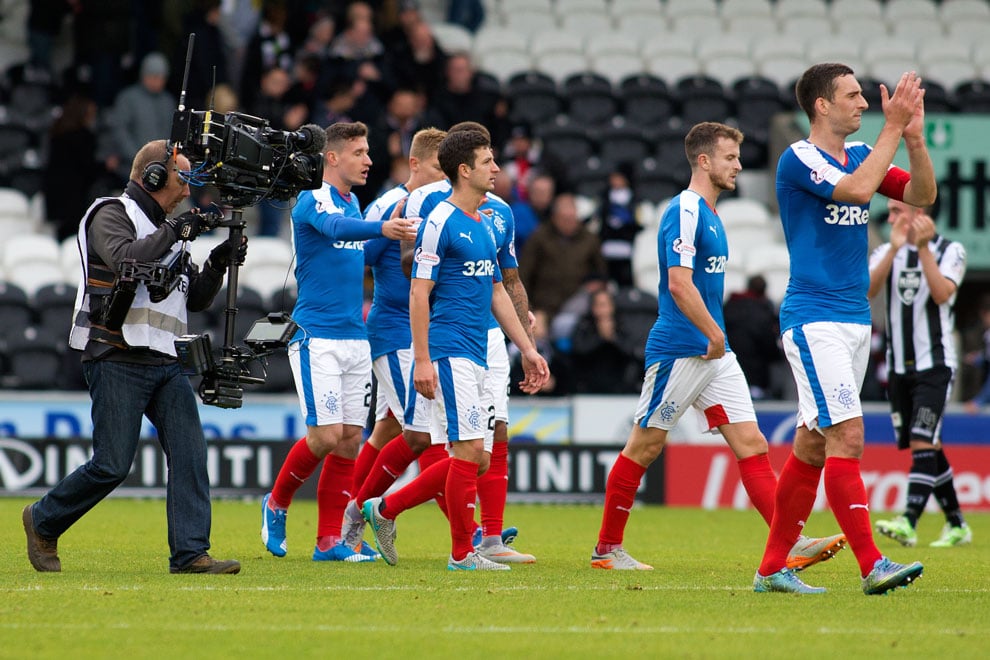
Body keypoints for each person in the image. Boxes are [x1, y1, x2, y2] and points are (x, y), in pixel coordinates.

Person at [591, 122, 845, 572]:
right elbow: (677, 283)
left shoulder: (712, 214)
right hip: (681, 349)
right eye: (730, 158)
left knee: (752, 443)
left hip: (714, 352)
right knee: (645, 446)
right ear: (705, 161)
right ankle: (607, 549)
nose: (739, 166)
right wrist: (712, 332)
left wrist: (716, 339)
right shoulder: (684, 210)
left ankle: (790, 542)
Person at [753, 64, 937, 596]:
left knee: (812, 446)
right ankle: (872, 563)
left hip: (854, 320)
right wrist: (891, 127)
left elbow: (921, 195)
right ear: (821, 106)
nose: (864, 103)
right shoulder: (799, 158)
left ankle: (771, 570)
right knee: (848, 435)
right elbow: (858, 192)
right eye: (853, 95)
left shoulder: (861, 154)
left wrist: (915, 139)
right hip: (814, 319)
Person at [23, 139, 246, 574]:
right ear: (155, 177)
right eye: (183, 177)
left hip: (163, 359)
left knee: (190, 453)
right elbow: (127, 259)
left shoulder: (168, 228)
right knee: (111, 465)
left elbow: (195, 298)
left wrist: (218, 262)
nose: (189, 189)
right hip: (116, 354)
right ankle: (43, 519)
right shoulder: (111, 213)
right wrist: (179, 229)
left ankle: (190, 554)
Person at [363, 128, 549, 570]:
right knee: (466, 452)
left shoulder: (483, 222)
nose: (497, 169)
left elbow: (498, 292)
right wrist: (423, 360)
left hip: (480, 352)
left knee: (479, 457)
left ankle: (385, 509)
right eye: (488, 162)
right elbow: (418, 293)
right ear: (464, 171)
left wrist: (528, 348)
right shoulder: (440, 222)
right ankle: (463, 554)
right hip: (450, 352)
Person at [259, 122, 418, 563]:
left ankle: (329, 541)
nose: (369, 160)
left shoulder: (354, 203)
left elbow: (358, 250)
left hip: (356, 337)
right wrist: (384, 228)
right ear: (332, 157)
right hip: (316, 337)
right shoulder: (313, 200)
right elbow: (333, 230)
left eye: (368, 152)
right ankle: (277, 502)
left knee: (350, 439)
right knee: (325, 435)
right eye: (359, 152)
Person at [337, 127, 448, 555]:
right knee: (425, 433)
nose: (444, 180)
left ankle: (346, 521)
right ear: (414, 164)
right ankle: (468, 529)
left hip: (421, 332)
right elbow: (353, 259)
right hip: (397, 332)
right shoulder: (389, 206)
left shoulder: (442, 206)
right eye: (438, 169)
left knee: (388, 429)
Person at [868, 200, 972, 548]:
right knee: (929, 442)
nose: (892, 218)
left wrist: (922, 249)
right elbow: (867, 290)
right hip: (899, 367)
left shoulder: (950, 250)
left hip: (935, 365)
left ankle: (909, 522)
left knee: (922, 439)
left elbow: (943, 294)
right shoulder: (887, 250)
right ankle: (957, 522)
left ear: (921, 214)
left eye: (898, 211)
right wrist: (895, 249)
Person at [519, 193, 607, 318]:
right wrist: (529, 310)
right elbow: (524, 275)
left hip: (578, 305)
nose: (570, 223)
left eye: (573, 219)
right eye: (565, 219)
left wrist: (595, 284)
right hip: (543, 306)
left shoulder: (590, 239)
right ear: (554, 218)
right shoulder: (539, 238)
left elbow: (601, 274)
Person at [723, 275, 784, 400]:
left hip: (728, 373)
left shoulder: (728, 307)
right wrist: (778, 356)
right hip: (755, 376)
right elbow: (769, 346)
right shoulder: (763, 313)